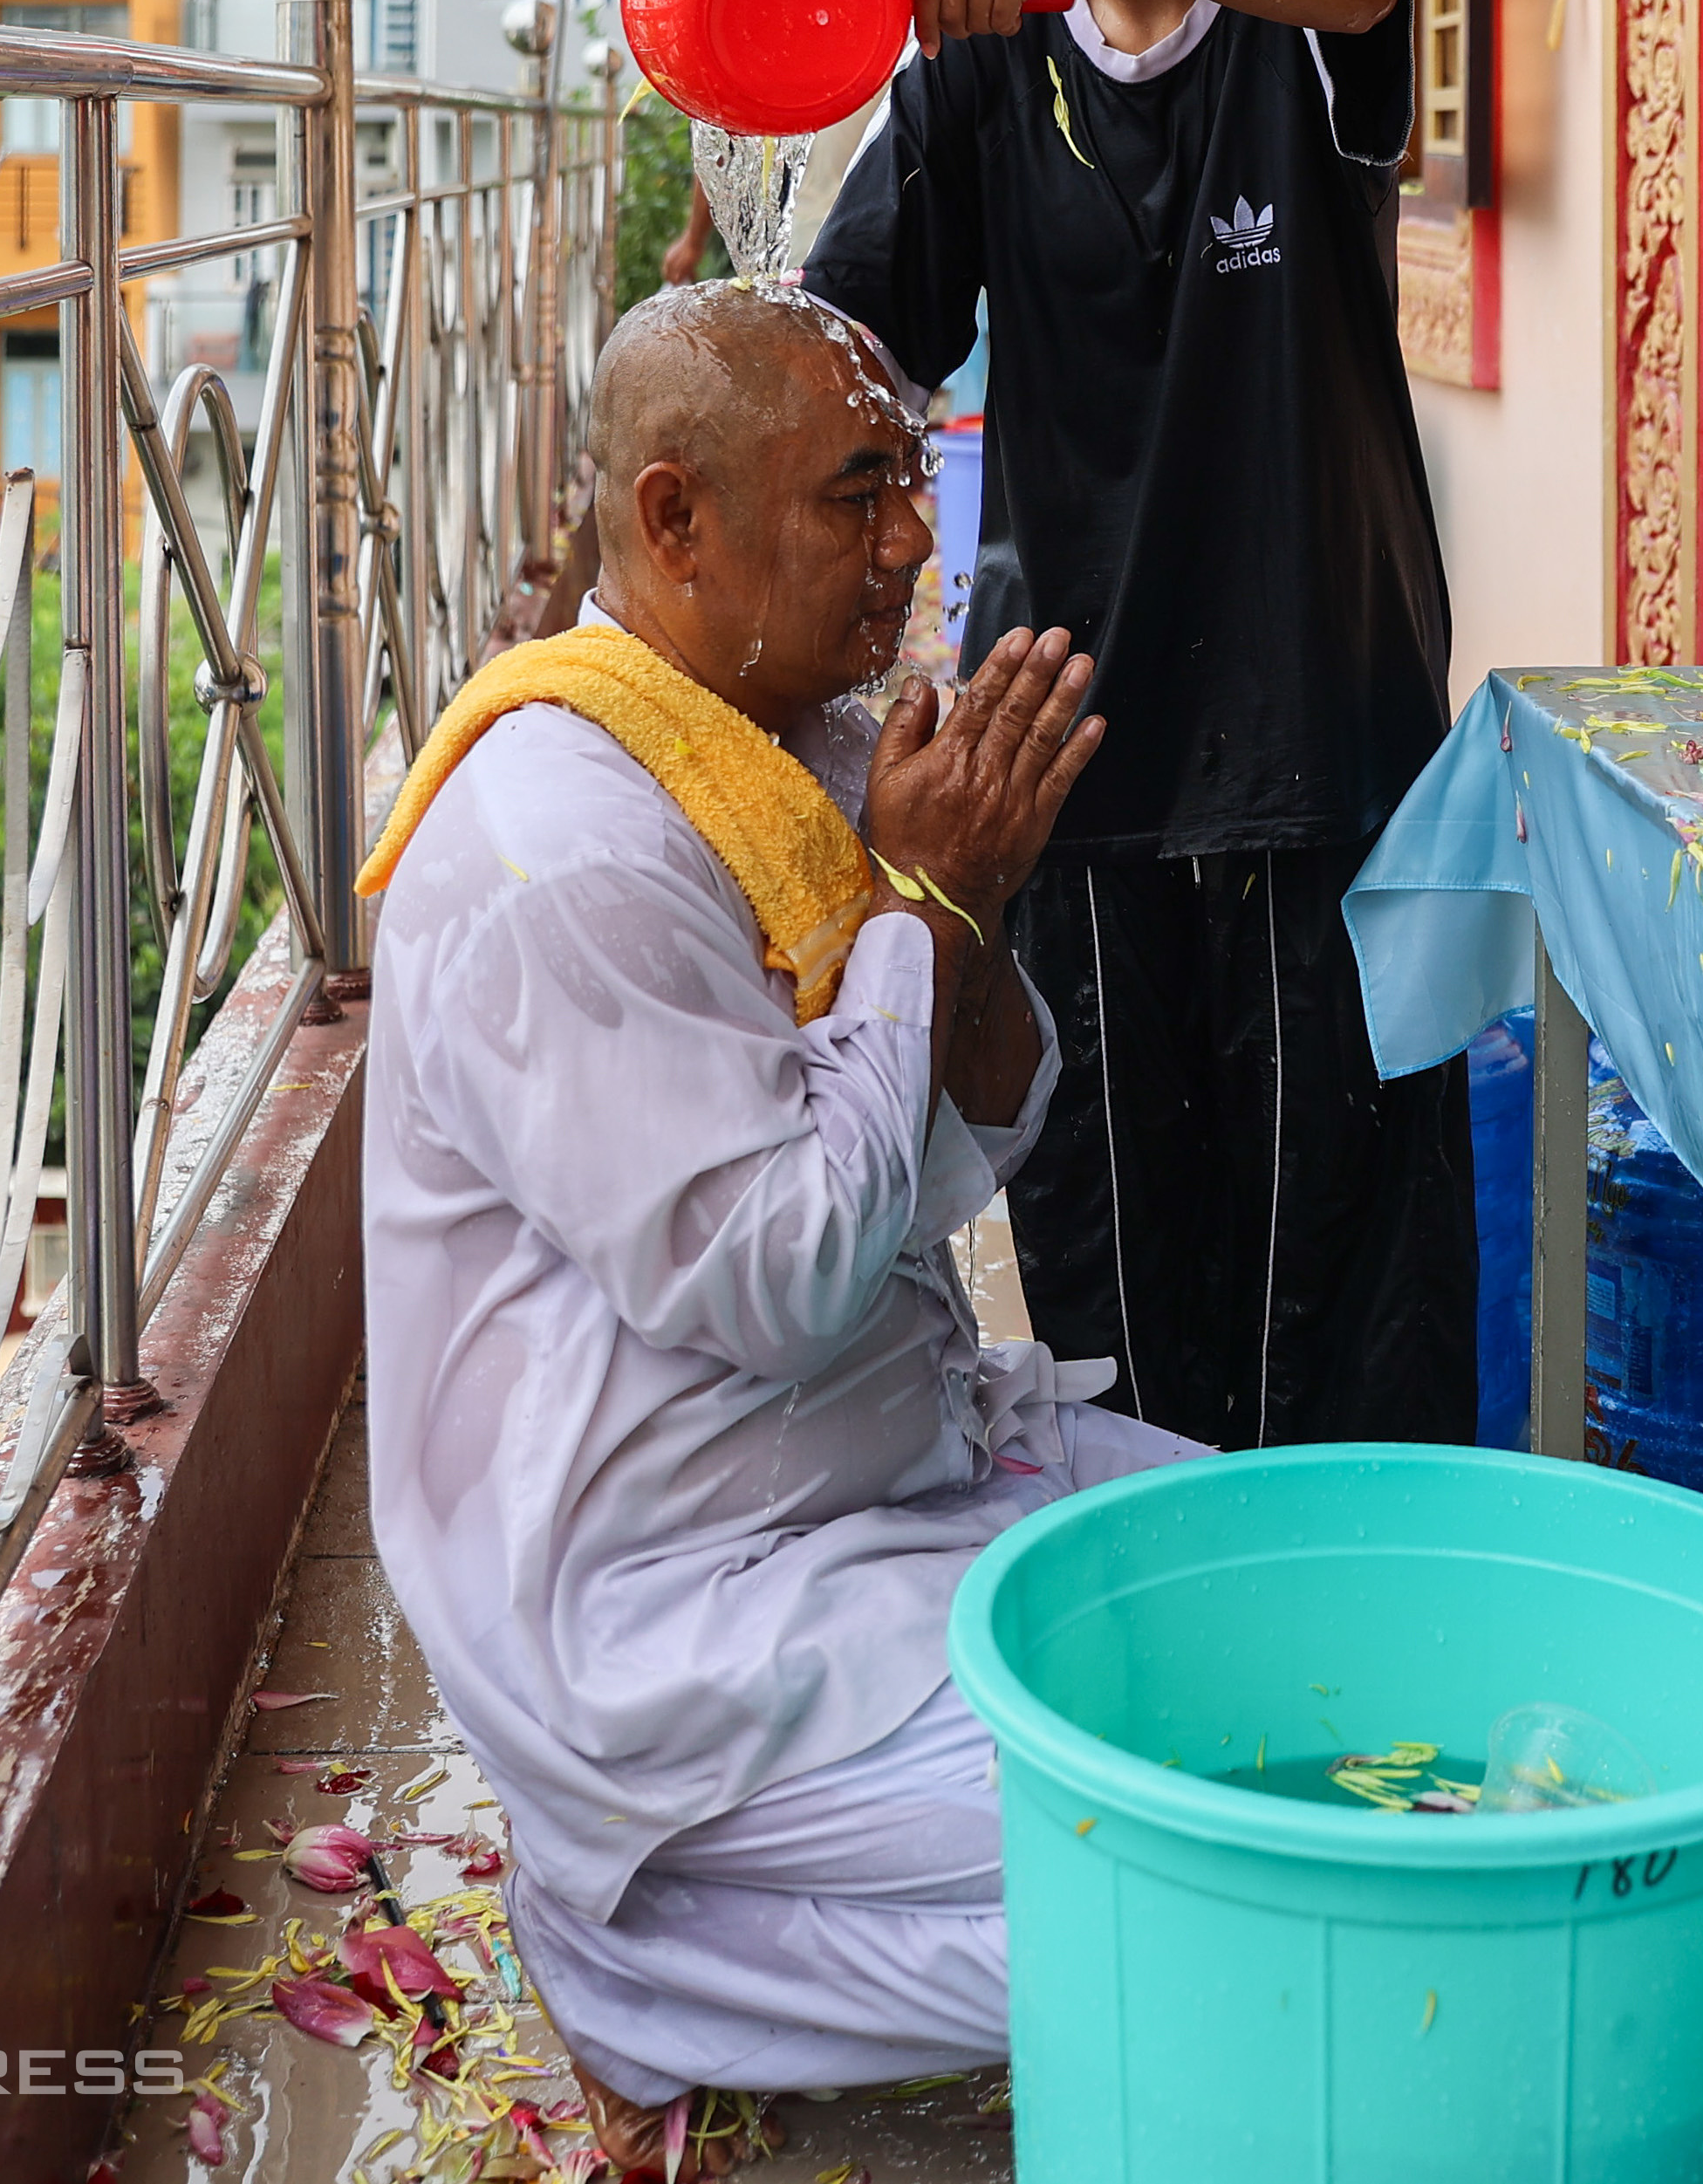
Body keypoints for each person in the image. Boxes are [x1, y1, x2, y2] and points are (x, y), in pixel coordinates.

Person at [355, 281, 1199, 2169]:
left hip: (854, 1490)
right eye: (854, 492)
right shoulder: (558, 845)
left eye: (909, 475)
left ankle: (691, 1926)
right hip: (675, 1612)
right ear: (676, 521)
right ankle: (649, 1954)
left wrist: (954, 902)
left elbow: (957, 1150)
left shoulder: (771, 740)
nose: (914, 537)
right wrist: (916, 896)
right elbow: (794, 1278)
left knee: (1283, 1594)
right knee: (1218, 1856)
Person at [801, 0, 1474, 1451]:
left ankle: (1339, 1641)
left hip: (1310, 727)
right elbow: (846, 354)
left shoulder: (1296, 9)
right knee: (1110, 1273)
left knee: (1334, 1264)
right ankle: (1147, 1646)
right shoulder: (976, 90)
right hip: (1064, 742)